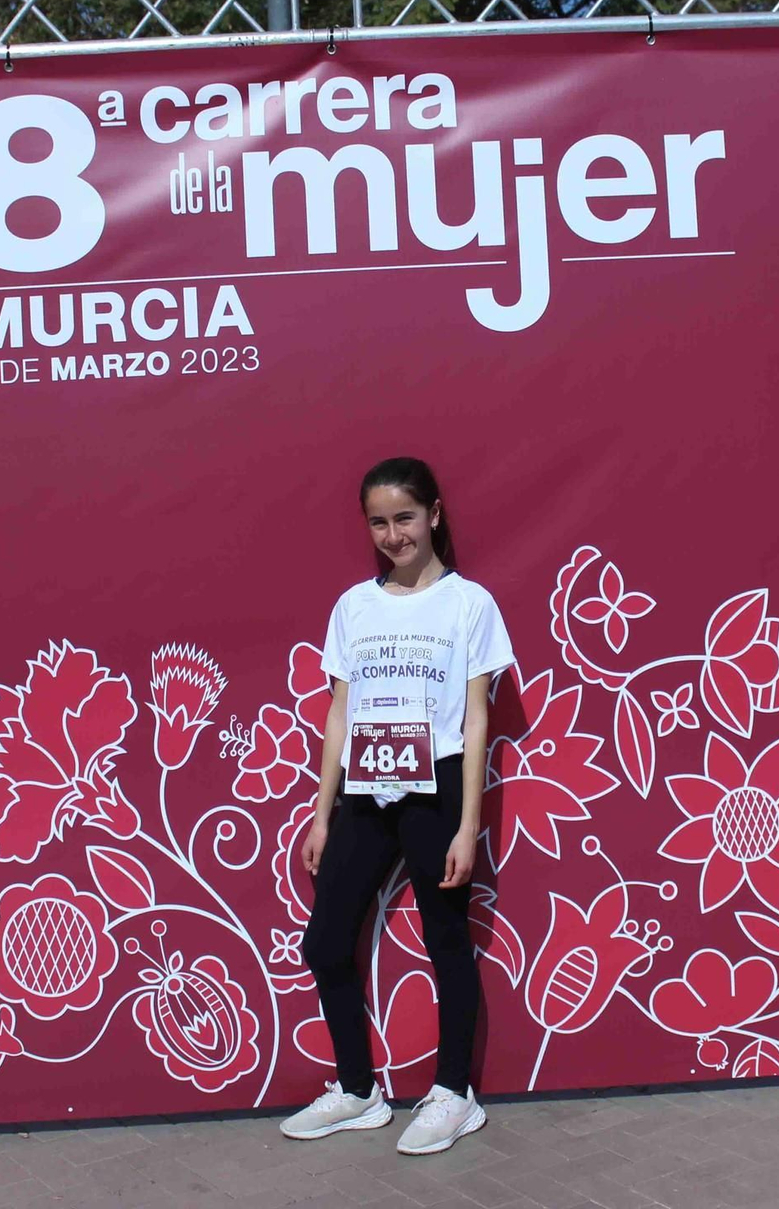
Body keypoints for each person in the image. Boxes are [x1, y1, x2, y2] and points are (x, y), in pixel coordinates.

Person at [279, 457, 513, 1155]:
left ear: (434, 513)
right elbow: (338, 714)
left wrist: (468, 824)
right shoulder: (354, 606)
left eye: (404, 517)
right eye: (378, 521)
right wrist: (323, 814)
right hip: (365, 789)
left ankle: (452, 1095)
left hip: (436, 784)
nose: (392, 533)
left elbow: (477, 719)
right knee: (324, 942)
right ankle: (357, 1091)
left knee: (446, 939)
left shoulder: (470, 603)